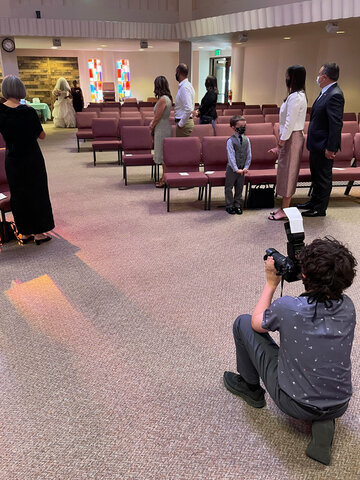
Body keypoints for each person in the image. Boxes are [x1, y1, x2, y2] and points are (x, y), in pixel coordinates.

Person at [223, 237, 357, 466]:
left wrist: (270, 283)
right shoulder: (348, 307)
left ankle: (250, 388)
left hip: (295, 403)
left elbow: (257, 323)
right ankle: (324, 420)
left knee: (243, 323)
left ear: (303, 275)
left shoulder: (289, 308)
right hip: (340, 403)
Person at [0, 75, 55, 244]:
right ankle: (39, 233)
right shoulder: (28, 111)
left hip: (12, 159)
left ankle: (24, 232)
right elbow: (42, 135)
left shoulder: (0, 111)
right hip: (31, 158)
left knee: (18, 194)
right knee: (37, 193)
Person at [297, 63, 344, 217]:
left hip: (324, 145)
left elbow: (335, 124)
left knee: (323, 177)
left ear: (324, 77)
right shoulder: (325, 92)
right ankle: (314, 201)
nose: (317, 77)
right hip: (316, 144)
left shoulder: (335, 94)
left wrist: (331, 148)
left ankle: (320, 208)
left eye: (319, 74)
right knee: (316, 175)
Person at [268, 65, 307, 221]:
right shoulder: (294, 95)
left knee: (289, 173)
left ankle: (286, 209)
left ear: (293, 77)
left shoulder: (297, 96)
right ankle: (284, 207)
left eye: (287, 75)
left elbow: (290, 121)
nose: (286, 78)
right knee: (284, 172)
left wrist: (281, 142)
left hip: (292, 138)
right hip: (289, 137)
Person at [225, 115, 251, 215]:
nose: (243, 128)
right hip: (232, 169)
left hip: (242, 168)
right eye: (240, 126)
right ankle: (229, 205)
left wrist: (246, 167)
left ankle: (237, 205)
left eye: (244, 126)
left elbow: (249, 154)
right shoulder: (230, 141)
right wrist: (235, 169)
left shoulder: (247, 140)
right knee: (229, 187)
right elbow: (230, 156)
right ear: (233, 128)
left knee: (239, 187)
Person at [149, 76, 172, 188]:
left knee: (163, 155)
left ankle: (164, 178)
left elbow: (157, 117)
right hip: (164, 126)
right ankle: (164, 176)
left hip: (162, 128)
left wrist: (151, 126)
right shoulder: (167, 98)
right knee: (164, 153)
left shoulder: (163, 99)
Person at [174, 63, 195, 137]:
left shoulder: (184, 88)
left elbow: (189, 108)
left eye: (176, 72)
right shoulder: (187, 85)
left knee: (181, 148)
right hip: (186, 123)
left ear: (178, 72)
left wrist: (180, 124)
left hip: (184, 125)